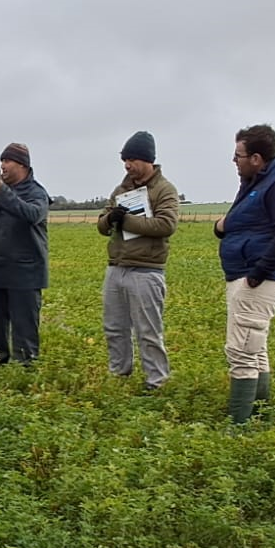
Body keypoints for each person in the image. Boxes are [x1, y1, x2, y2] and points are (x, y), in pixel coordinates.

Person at [213, 124, 275, 423]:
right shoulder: (256, 181)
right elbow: (247, 221)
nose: (234, 161)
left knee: (241, 350)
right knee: (254, 347)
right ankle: (259, 416)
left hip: (261, 279)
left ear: (256, 158)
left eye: (238, 155)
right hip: (247, 274)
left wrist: (257, 275)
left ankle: (239, 425)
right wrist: (222, 227)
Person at [95, 131, 180, 392]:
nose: (127, 165)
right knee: (114, 328)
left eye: (132, 159)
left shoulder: (165, 190)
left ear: (147, 160)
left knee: (148, 331)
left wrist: (126, 220)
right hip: (116, 267)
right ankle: (118, 375)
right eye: (125, 160)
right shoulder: (120, 190)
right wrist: (110, 219)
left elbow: (166, 225)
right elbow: (101, 225)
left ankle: (157, 382)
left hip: (146, 270)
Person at [0, 142, 50, 365]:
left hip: (26, 272)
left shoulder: (37, 193)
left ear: (22, 165)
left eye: (7, 161)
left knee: (24, 324)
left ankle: (25, 367)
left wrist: (1, 192)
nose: (2, 165)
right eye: (1, 160)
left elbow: (30, 214)